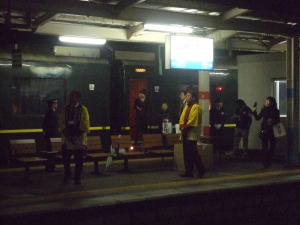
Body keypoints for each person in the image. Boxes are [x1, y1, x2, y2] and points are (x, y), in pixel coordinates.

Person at [59, 91, 90, 185]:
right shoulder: (65, 109)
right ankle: (67, 174)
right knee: (66, 159)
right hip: (67, 138)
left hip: (79, 139)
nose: (71, 99)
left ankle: (77, 178)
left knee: (79, 160)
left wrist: (77, 135)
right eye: (70, 97)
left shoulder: (83, 109)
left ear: (78, 98)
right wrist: (67, 135)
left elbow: (85, 123)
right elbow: (61, 122)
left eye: (73, 97)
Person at [179, 90, 205, 178]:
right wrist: (181, 125)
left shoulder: (196, 107)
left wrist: (184, 127)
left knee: (192, 152)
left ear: (193, 97)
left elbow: (193, 120)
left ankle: (201, 169)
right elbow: (182, 117)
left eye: (189, 95)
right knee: (186, 153)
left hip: (192, 133)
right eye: (187, 95)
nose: (187, 97)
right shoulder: (186, 106)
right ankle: (188, 171)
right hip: (185, 133)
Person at [253, 97, 280, 168]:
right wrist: (254, 111)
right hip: (265, 130)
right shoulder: (263, 110)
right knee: (264, 147)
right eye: (266, 101)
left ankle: (268, 159)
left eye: (268, 101)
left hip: (273, 130)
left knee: (272, 147)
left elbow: (278, 121)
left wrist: (273, 121)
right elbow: (257, 118)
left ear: (272, 102)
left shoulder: (276, 111)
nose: (267, 102)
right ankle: (265, 162)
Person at [42, 98, 60, 172]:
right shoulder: (51, 112)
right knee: (52, 151)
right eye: (56, 103)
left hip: (50, 134)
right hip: (52, 134)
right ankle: (51, 166)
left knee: (51, 151)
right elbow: (52, 124)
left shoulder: (49, 112)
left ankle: (50, 166)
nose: (57, 104)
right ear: (53, 104)